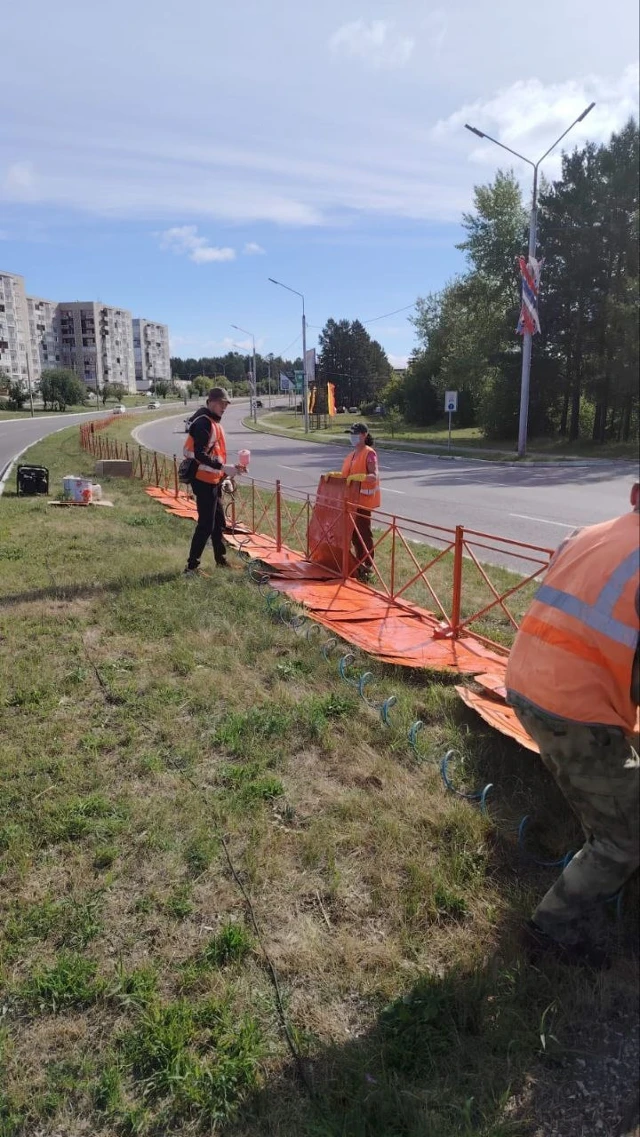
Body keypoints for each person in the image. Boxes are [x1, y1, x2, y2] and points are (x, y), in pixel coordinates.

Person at [506, 482, 640, 966]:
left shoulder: (590, 534)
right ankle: (550, 933)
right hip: (575, 712)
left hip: (525, 683)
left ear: (635, 494)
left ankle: (596, 824)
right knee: (626, 837)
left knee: (610, 792)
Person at [182, 387, 240, 574]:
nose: (224, 407)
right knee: (206, 525)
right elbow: (200, 454)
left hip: (213, 480)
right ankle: (192, 568)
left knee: (218, 522)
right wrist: (223, 468)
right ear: (211, 402)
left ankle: (221, 560)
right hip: (203, 480)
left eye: (226, 404)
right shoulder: (204, 423)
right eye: (222, 403)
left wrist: (226, 474)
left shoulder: (213, 423)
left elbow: (215, 454)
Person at [341, 423, 381, 582]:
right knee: (353, 534)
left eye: (355, 434)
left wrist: (362, 477)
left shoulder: (369, 453)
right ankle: (357, 564)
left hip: (363, 501)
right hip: (350, 501)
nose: (352, 437)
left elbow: (373, 475)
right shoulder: (351, 455)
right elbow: (346, 475)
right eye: (350, 434)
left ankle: (367, 565)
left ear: (364, 435)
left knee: (363, 533)